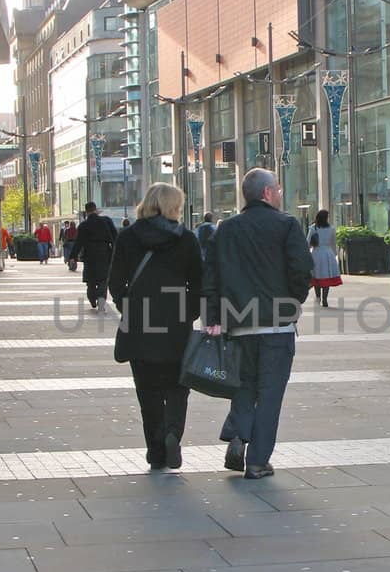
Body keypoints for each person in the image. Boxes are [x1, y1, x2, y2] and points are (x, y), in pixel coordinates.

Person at [204, 168, 313, 480]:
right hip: (276, 326)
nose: (280, 193)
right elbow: (301, 270)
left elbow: (210, 276)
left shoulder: (225, 229)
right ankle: (257, 461)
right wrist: (293, 302)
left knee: (243, 384)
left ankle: (238, 434)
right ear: (267, 193)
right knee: (269, 394)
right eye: (277, 188)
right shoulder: (286, 225)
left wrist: (213, 317)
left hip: (237, 325)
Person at [109, 183, 203, 471]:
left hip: (140, 325)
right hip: (176, 324)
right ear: (174, 206)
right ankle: (173, 431)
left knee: (147, 393)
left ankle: (156, 451)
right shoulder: (186, 239)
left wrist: (129, 307)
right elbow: (198, 282)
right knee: (178, 386)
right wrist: (189, 312)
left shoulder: (128, 237)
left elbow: (115, 281)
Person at [74, 200, 118, 308]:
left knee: (91, 280)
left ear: (86, 211)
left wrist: (72, 256)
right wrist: (115, 252)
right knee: (104, 279)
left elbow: (78, 242)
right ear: (96, 210)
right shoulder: (106, 221)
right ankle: (101, 300)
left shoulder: (83, 225)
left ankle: (92, 298)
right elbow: (114, 237)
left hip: (89, 255)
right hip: (104, 253)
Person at [307, 209, 342, 307]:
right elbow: (333, 243)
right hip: (327, 253)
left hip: (316, 252)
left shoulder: (313, 228)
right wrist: (334, 254)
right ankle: (325, 299)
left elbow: (307, 241)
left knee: (316, 276)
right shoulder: (331, 229)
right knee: (326, 276)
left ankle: (318, 297)